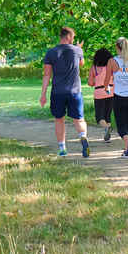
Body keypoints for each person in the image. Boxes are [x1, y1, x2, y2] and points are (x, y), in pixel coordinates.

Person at [40, 27, 90, 157]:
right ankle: (83, 136)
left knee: (59, 120)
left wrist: (43, 95)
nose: (73, 40)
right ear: (68, 37)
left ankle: (62, 149)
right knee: (79, 119)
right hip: (75, 91)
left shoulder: (51, 52)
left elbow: (46, 75)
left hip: (58, 92)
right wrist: (80, 49)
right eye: (72, 38)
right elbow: (81, 64)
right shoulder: (77, 50)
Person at [87, 48, 114, 142]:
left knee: (99, 117)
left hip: (99, 93)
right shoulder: (111, 67)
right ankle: (107, 136)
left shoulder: (94, 67)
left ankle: (106, 128)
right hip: (111, 92)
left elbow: (90, 82)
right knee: (107, 115)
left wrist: (97, 80)